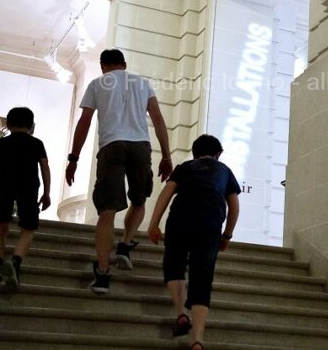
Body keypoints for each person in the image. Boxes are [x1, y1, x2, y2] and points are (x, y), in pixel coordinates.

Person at [65, 48, 172, 293]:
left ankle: (103, 273)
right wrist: (166, 155)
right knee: (139, 198)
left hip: (112, 145)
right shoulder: (143, 83)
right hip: (140, 146)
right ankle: (125, 244)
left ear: (103, 66)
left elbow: (85, 121)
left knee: (107, 210)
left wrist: (73, 158)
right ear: (124, 64)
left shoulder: (97, 83)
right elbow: (157, 118)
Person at [147, 134, 240, 350]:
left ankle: (181, 313)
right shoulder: (224, 170)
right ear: (217, 154)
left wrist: (153, 224)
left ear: (195, 152)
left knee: (174, 266)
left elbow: (167, 192)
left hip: (179, 220)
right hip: (209, 225)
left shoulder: (185, 167)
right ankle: (197, 339)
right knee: (202, 278)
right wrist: (227, 235)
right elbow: (234, 205)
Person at [0, 106, 51, 291]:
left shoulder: (0, 144)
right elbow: (45, 167)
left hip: (5, 186)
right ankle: (15, 262)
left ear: (8, 123)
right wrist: (47, 192)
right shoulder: (37, 143)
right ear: (30, 125)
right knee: (28, 229)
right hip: (29, 187)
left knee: (0, 226)